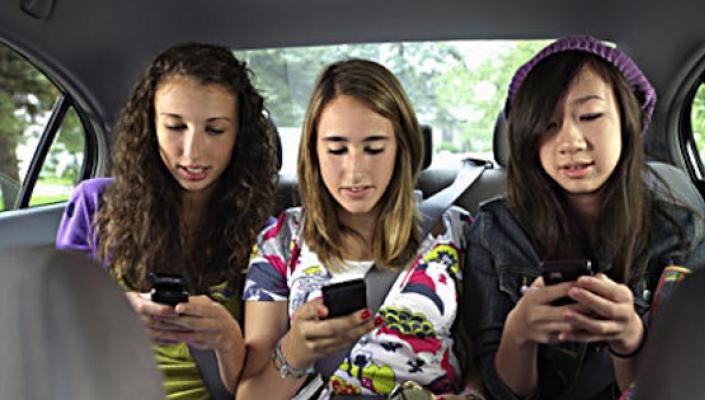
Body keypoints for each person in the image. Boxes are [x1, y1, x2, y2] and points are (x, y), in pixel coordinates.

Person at [463, 36, 705, 400]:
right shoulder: (494, 230)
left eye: (590, 116)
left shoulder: (681, 233)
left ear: (627, 122)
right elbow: (503, 393)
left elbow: (687, 383)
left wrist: (629, 340)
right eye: (547, 124)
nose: (571, 141)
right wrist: (519, 332)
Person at [237, 59, 475, 399]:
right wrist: (295, 350)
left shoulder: (454, 230)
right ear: (314, 152)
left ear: (401, 148)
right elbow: (250, 396)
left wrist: (472, 395)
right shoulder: (280, 241)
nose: (355, 170)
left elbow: (488, 357)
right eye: (336, 149)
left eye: (374, 148)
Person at [56, 42, 278, 399]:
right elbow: (56, 328)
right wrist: (115, 312)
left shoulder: (266, 235)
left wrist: (226, 337)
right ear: (149, 126)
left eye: (215, 130)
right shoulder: (95, 205)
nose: (192, 152)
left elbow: (258, 389)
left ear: (240, 135)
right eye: (175, 126)